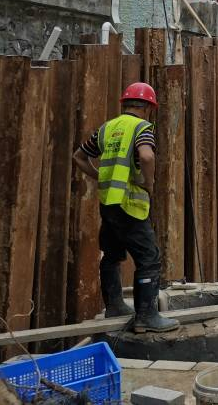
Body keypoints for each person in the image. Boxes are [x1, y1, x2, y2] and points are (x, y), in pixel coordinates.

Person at [71, 83, 179, 333]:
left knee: (111, 255)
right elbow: (147, 156)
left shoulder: (107, 128)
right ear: (149, 108)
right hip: (130, 204)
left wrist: (98, 176)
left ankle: (115, 305)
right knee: (149, 259)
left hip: (108, 203)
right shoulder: (142, 128)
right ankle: (146, 317)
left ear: (124, 104)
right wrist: (148, 181)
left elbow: (79, 156)